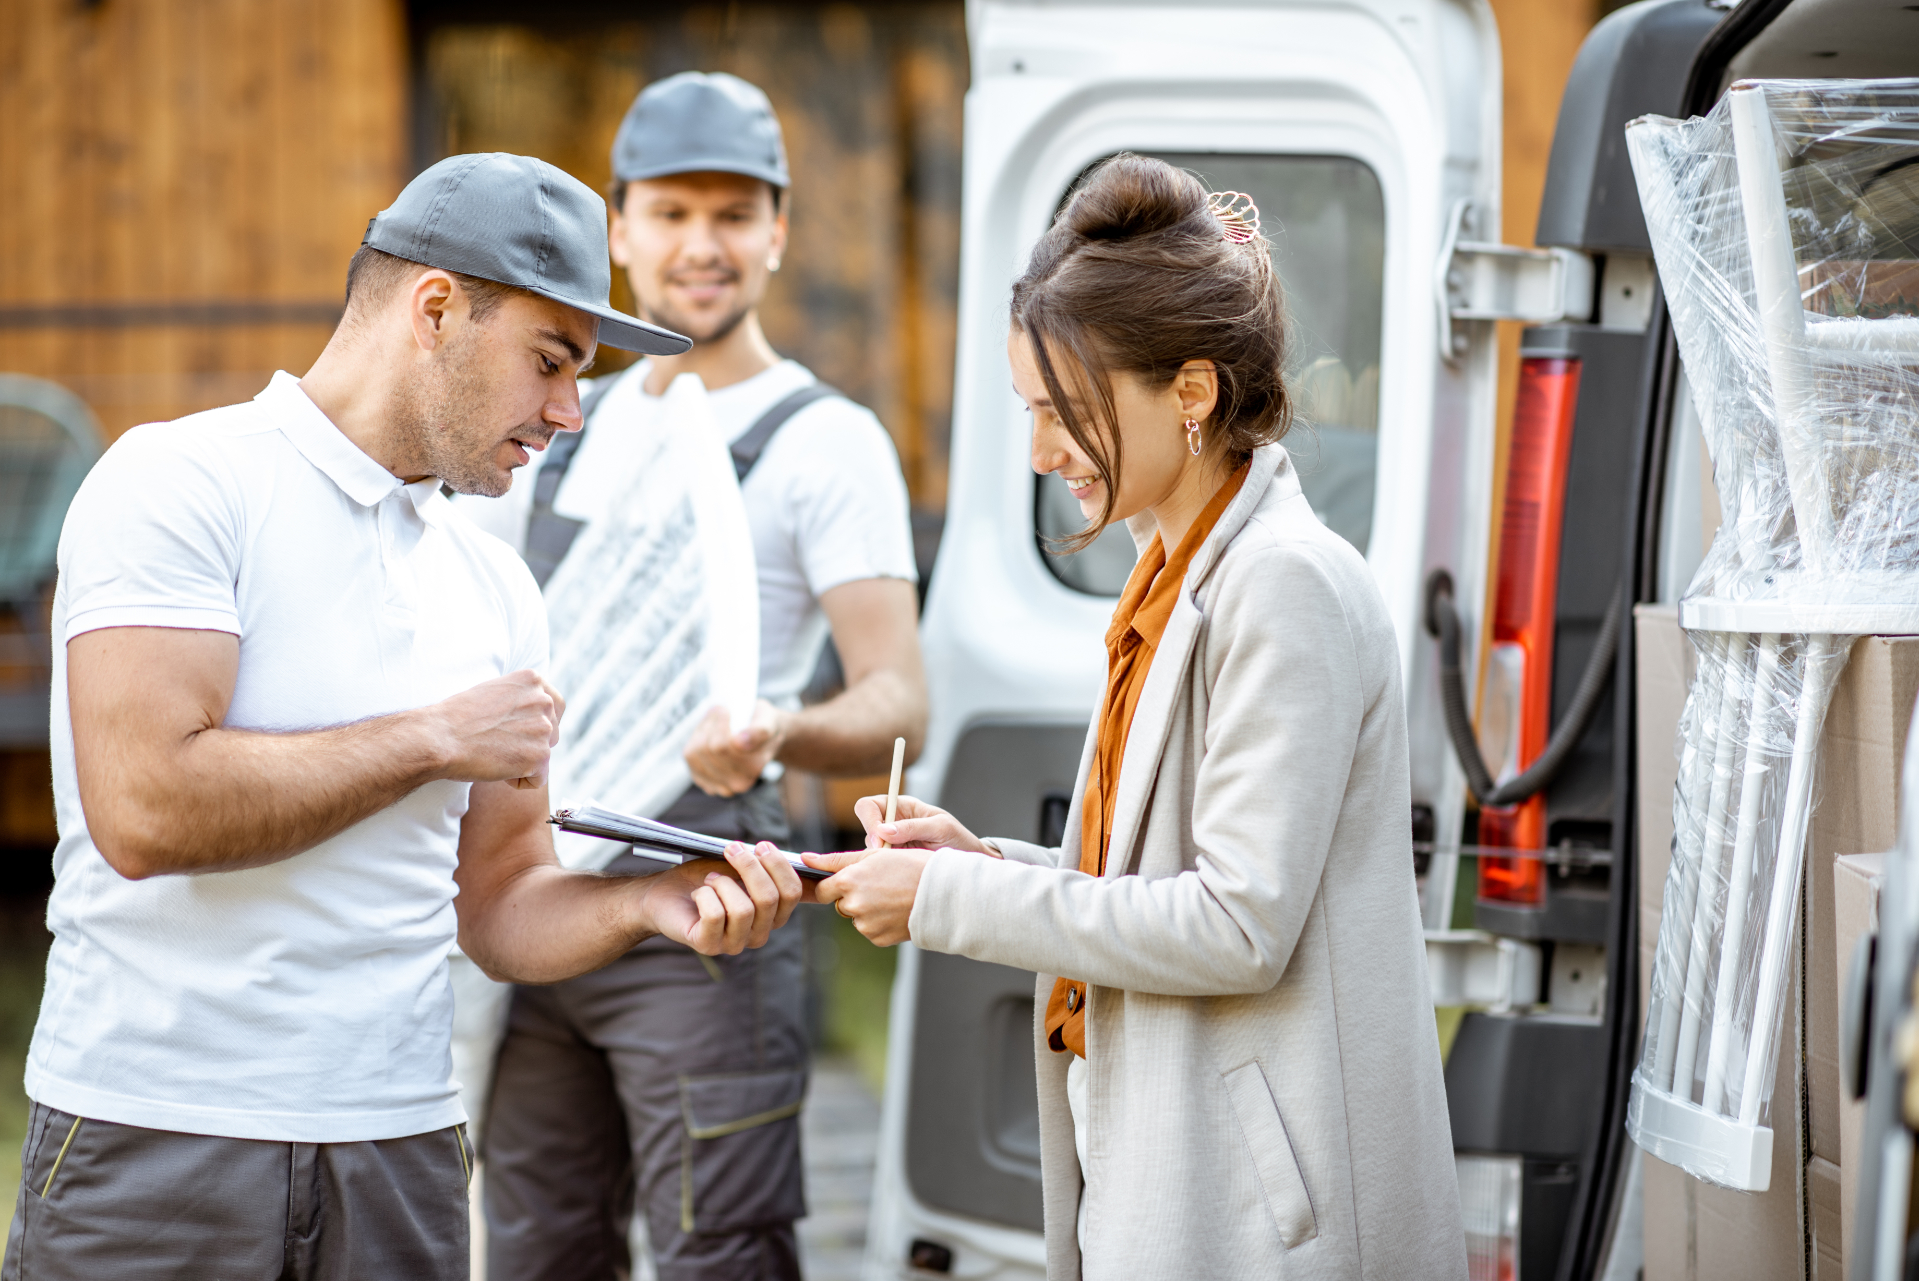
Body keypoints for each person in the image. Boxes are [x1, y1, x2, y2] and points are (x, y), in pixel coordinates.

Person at [1, 152, 805, 1281]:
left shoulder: (494, 588)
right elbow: (147, 812)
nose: (570, 412)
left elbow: (500, 903)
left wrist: (651, 905)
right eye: (550, 362)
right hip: (153, 1138)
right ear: (435, 309)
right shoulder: (179, 484)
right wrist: (431, 741)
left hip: (402, 1151)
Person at [810, 155, 1466, 1280]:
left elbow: (1237, 924)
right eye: (1029, 411)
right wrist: (981, 855)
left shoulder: (1283, 583)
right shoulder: (1171, 567)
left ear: (1193, 395)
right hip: (1176, 1160)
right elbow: (1147, 864)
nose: (1040, 451)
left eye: (1066, 411)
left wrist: (952, 898)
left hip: (1269, 1212)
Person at [463, 73, 926, 1281]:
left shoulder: (826, 439)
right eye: (670, 214)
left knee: (719, 1254)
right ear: (619, 232)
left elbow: (897, 700)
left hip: (711, 901)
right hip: (542, 898)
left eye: (733, 215)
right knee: (533, 1255)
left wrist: (774, 728)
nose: (701, 246)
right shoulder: (567, 418)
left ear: (779, 231)